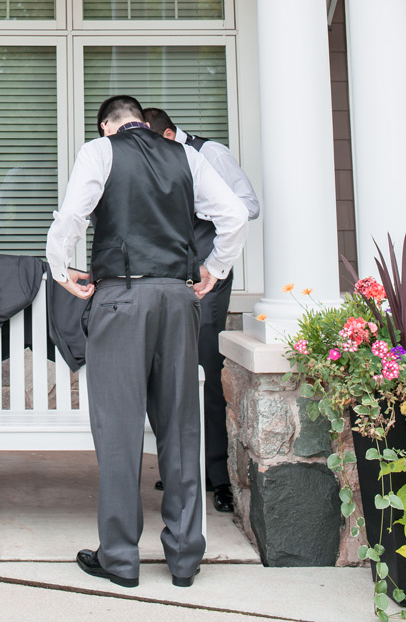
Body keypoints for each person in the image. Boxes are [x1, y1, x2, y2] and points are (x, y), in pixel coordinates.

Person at [47, 94, 247, 591]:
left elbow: (72, 215)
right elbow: (236, 216)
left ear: (106, 125)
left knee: (118, 431)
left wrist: (60, 268)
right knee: (180, 426)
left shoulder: (100, 151)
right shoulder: (186, 154)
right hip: (179, 300)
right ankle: (183, 557)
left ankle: (120, 558)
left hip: (121, 298)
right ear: (142, 121)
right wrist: (215, 270)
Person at [144, 107, 260, 514]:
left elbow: (247, 206)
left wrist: (200, 204)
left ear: (171, 135)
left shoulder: (211, 154)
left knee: (205, 367)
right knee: (169, 368)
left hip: (209, 275)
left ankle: (218, 476)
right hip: (169, 276)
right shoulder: (157, 157)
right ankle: (182, 467)